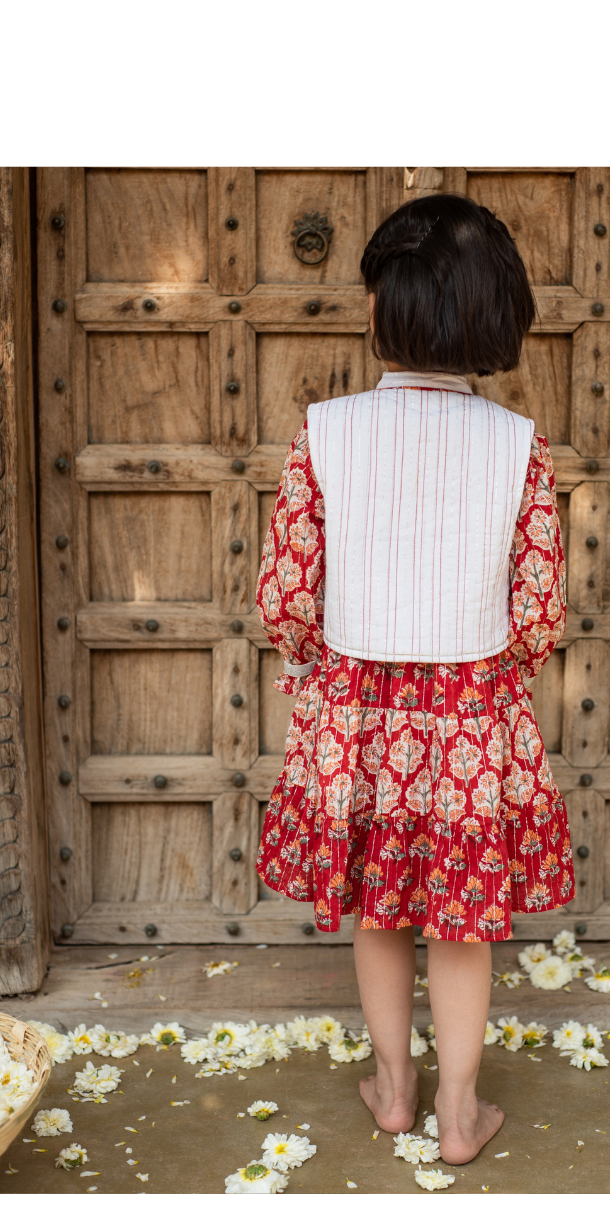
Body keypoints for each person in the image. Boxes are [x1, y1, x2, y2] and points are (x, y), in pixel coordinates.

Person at [255, 194, 574, 1165]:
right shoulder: (518, 447)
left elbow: (286, 593)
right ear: (493, 317)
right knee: (463, 921)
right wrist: (485, 672)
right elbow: (537, 614)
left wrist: (316, 667)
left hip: (353, 709)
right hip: (472, 713)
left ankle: (394, 1090)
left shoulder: (325, 432)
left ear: (378, 309)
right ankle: (460, 1113)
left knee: (379, 907)